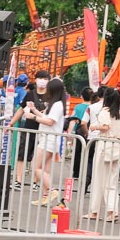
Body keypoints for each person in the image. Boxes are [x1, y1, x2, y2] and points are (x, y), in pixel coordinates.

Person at [84, 86, 120, 223]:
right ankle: (112, 211)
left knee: (99, 180)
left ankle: (95, 211)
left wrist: (94, 127)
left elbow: (105, 126)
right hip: (116, 147)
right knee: (112, 182)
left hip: (104, 146)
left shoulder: (104, 112)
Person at [7, 69, 50, 190]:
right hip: (29, 128)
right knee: (22, 154)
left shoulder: (51, 95)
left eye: (45, 79)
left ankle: (36, 182)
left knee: (39, 157)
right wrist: (11, 123)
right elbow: (21, 109)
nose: (43, 81)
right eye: (40, 78)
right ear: (35, 80)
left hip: (43, 129)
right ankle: (18, 180)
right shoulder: (30, 94)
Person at [27, 77, 66, 206]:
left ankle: (52, 190)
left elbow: (50, 121)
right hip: (49, 138)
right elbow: (46, 117)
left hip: (49, 139)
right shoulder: (56, 104)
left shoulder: (57, 105)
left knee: (36, 166)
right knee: (45, 169)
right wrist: (34, 110)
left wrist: (33, 117)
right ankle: (45, 195)